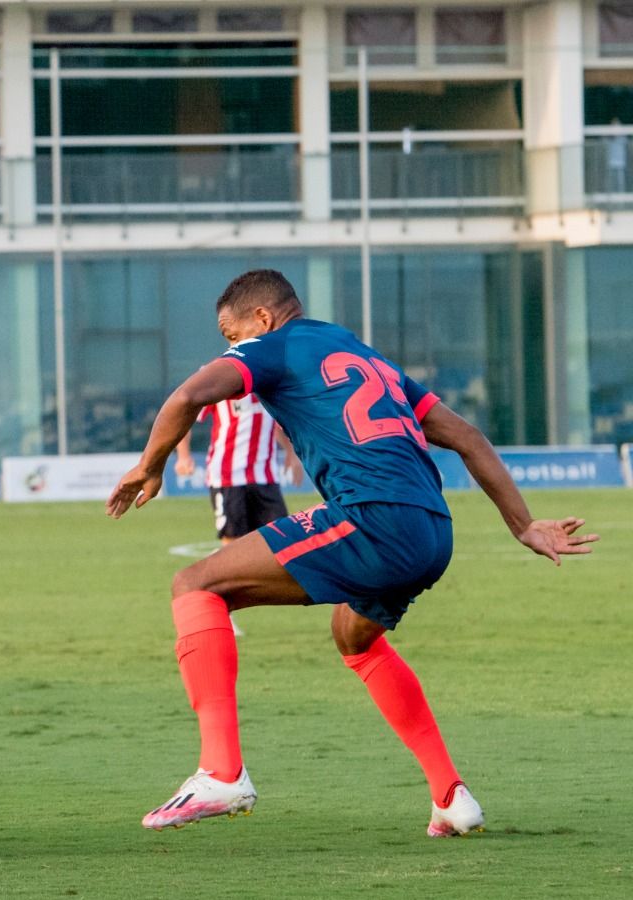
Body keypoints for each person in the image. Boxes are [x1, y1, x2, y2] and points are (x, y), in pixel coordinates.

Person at [107, 269, 596, 836]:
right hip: (434, 530)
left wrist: (151, 465)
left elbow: (190, 393)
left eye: (230, 332)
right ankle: (450, 795)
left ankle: (221, 771)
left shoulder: (271, 347)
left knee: (194, 586)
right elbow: (466, 436)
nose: (230, 346)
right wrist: (524, 525)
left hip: (373, 518)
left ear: (262, 319)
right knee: (354, 637)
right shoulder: (360, 353)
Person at [174, 393, 303, 636]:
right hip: (228, 476)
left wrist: (291, 454)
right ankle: (217, 606)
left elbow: (277, 424)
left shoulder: (268, 380)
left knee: (282, 543)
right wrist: (183, 455)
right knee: (231, 548)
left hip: (265, 477)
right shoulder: (219, 381)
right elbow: (186, 413)